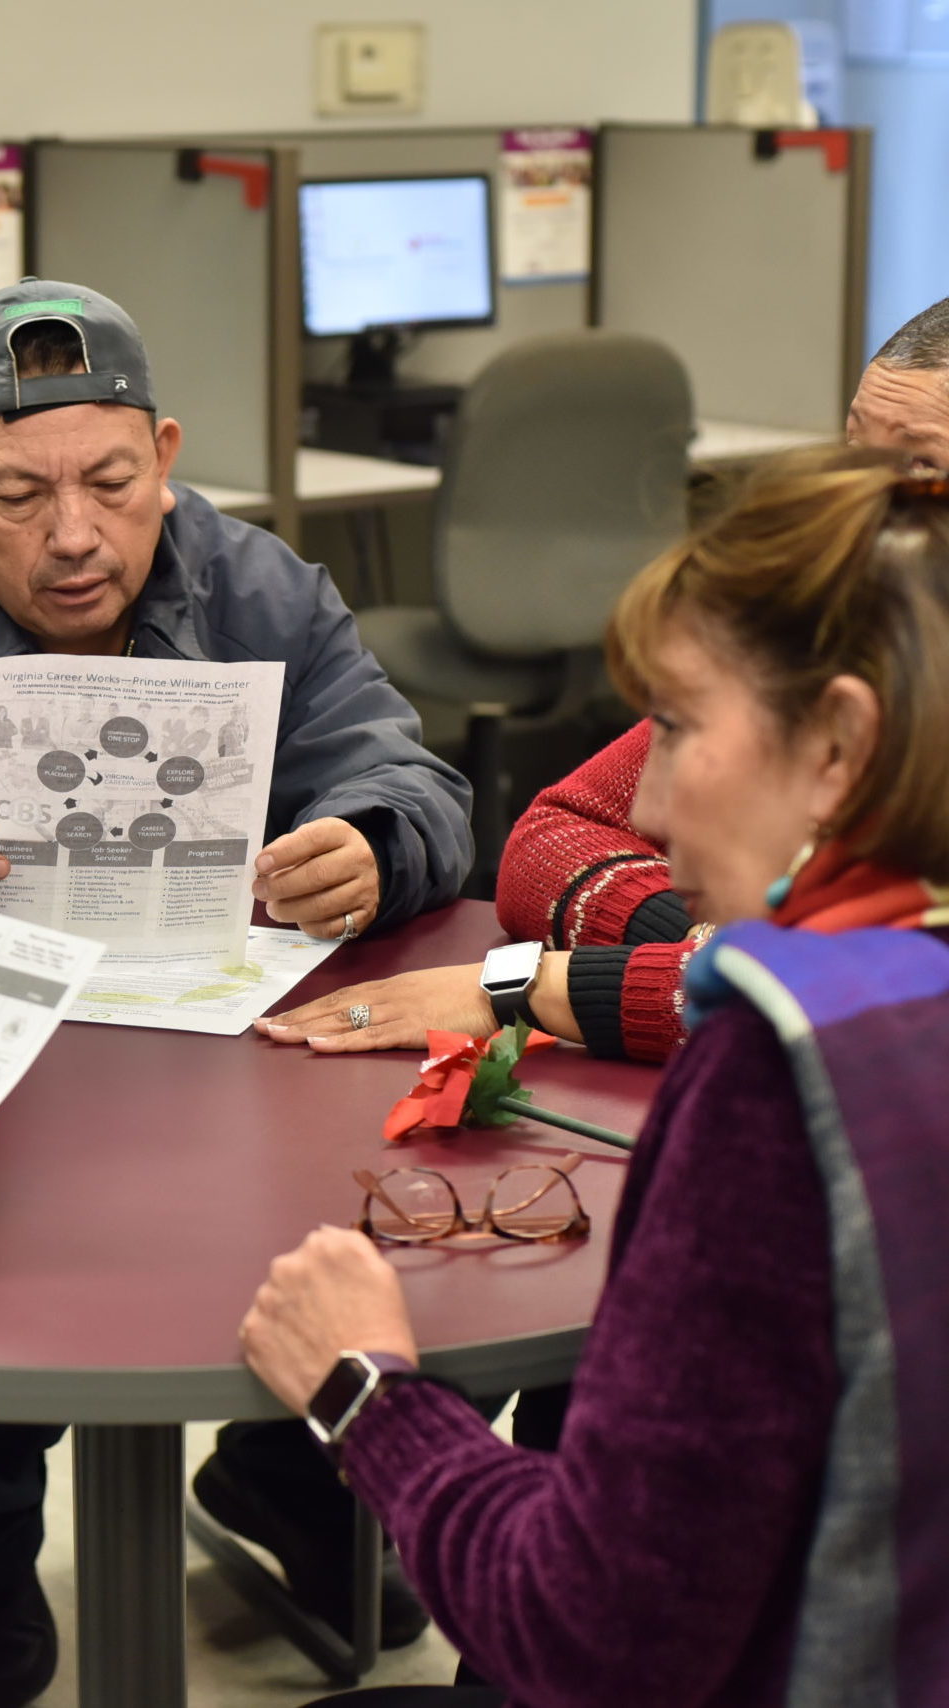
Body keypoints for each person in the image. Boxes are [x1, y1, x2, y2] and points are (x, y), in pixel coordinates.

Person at [0, 279, 472, 1704]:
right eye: (14, 496)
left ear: (165, 457)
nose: (71, 536)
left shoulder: (260, 587)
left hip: (225, 1057)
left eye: (112, 484)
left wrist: (371, 844)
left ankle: (287, 1480)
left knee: (391, 1243)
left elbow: (407, 775)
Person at [240, 443, 949, 1707]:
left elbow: (592, 1632)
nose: (657, 805)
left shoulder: (782, 1082)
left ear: (838, 744)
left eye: (675, 729)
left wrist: (362, 1391)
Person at [257, 289, 949, 1063]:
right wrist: (708, 942)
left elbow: (852, 1012)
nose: (851, 507)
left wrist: (532, 987)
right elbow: (545, 844)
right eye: (851, 453)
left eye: (919, 465)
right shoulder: (829, 637)